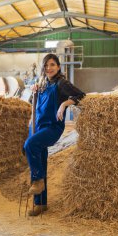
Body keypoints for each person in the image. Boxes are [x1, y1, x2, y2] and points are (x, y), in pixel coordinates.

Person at [23, 53, 85, 216]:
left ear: (58, 66)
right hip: (37, 126)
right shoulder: (41, 83)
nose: (48, 68)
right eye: (46, 65)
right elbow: (31, 101)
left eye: (52, 65)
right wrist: (33, 90)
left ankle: (37, 180)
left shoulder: (61, 83)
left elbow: (81, 95)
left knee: (29, 145)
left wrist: (64, 104)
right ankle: (41, 204)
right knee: (40, 160)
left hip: (52, 127)